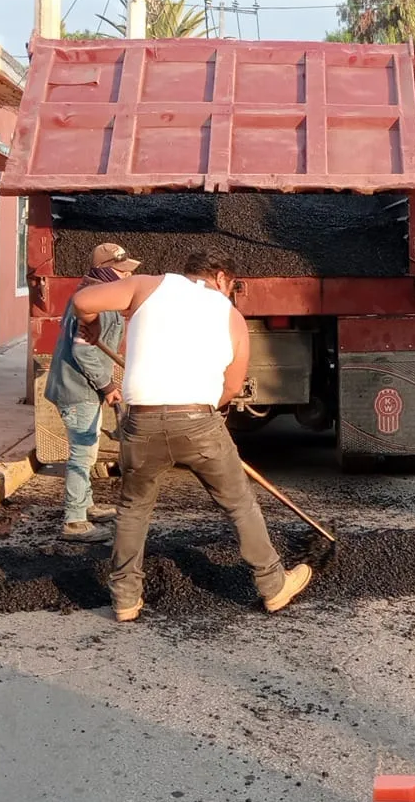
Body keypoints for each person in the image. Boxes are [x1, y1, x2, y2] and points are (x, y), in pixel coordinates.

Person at [70, 252, 313, 620]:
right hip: (200, 421)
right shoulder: (231, 316)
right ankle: (273, 585)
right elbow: (231, 387)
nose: (229, 294)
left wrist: (90, 325)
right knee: (239, 504)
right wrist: (198, 409)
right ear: (219, 277)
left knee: (133, 511)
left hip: (142, 423)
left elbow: (82, 301)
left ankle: (124, 599)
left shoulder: (146, 285)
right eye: (231, 286)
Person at [43, 243, 138, 543]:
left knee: (90, 448)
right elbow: (83, 352)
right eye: (123, 272)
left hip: (82, 387)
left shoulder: (89, 296)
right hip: (78, 389)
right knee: (82, 454)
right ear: (107, 270)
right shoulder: (96, 304)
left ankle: (85, 505)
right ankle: (74, 521)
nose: (128, 277)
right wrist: (107, 385)